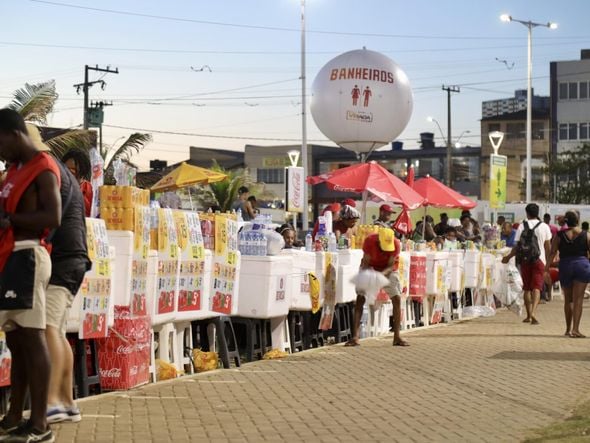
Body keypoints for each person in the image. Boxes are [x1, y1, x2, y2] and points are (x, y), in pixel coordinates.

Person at [0, 110, 61, 442]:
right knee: (17, 340)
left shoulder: (42, 167)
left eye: (0, 143)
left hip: (28, 257)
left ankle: (40, 424)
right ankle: (15, 417)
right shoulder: (14, 170)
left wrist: (11, 219)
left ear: (13, 133)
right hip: (11, 257)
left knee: (32, 338)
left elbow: (53, 216)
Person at [45, 159, 91, 424]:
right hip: (73, 259)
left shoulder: (48, 170)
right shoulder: (65, 175)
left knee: (50, 328)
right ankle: (67, 402)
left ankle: (52, 402)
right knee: (58, 331)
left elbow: (48, 220)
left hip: (62, 260)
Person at [346, 228, 408, 347]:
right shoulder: (369, 241)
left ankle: (397, 337)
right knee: (360, 298)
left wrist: (380, 276)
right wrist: (370, 277)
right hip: (369, 268)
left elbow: (390, 266)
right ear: (378, 241)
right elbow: (365, 263)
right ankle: (355, 337)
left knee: (397, 298)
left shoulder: (395, 244)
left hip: (387, 270)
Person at [502, 203, 552, 325]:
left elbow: (517, 246)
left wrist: (508, 257)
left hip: (525, 260)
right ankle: (534, 312)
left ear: (527, 213)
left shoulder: (521, 226)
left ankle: (529, 315)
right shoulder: (544, 226)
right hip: (539, 260)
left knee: (527, 288)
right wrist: (548, 261)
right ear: (537, 213)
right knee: (537, 288)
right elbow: (548, 247)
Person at [546, 211, 590, 338]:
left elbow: (552, 252)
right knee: (578, 299)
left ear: (566, 221)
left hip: (565, 266)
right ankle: (576, 329)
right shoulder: (586, 235)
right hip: (582, 266)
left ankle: (567, 329)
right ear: (578, 220)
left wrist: (546, 269)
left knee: (568, 300)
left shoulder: (559, 235)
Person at [61, 148, 92, 217]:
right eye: (65, 169)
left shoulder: (92, 192)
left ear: (83, 171)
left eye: (73, 170)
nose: (68, 173)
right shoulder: (57, 189)